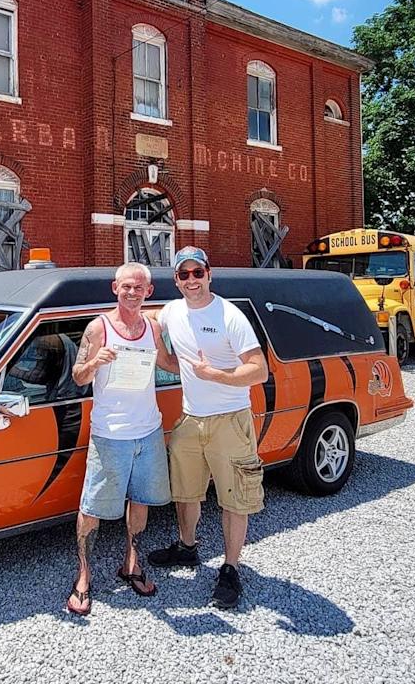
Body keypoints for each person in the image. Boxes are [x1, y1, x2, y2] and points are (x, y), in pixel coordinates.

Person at [148, 246, 268, 610]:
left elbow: (259, 370)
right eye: (183, 275)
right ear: (177, 280)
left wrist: (213, 374)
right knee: (186, 491)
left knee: (234, 498)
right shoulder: (171, 311)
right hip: (190, 417)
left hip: (230, 419)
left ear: (209, 274)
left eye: (196, 273)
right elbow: (164, 347)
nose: (191, 281)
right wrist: (151, 339)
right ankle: (187, 547)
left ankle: (231, 568)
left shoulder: (230, 315)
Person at [66, 262, 177, 616]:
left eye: (139, 287)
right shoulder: (98, 328)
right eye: (126, 287)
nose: (132, 292)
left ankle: (132, 563)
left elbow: (170, 364)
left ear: (149, 292)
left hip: (148, 430)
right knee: (93, 507)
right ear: (115, 288)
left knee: (141, 500)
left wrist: (209, 364)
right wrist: (95, 361)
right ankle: (83, 577)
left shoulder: (153, 328)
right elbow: (78, 377)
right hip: (109, 435)